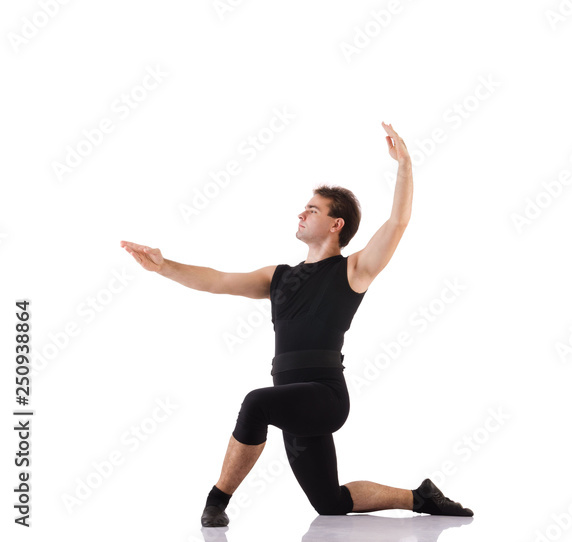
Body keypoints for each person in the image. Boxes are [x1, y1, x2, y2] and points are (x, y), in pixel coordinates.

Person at [121, 123, 473, 526]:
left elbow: (397, 223)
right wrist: (163, 266)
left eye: (313, 209)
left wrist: (405, 166)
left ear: (336, 224)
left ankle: (216, 502)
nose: (302, 213)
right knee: (330, 503)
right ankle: (421, 497)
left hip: (325, 397)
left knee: (255, 404)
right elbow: (217, 281)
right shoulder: (278, 277)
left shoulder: (353, 270)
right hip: (291, 399)